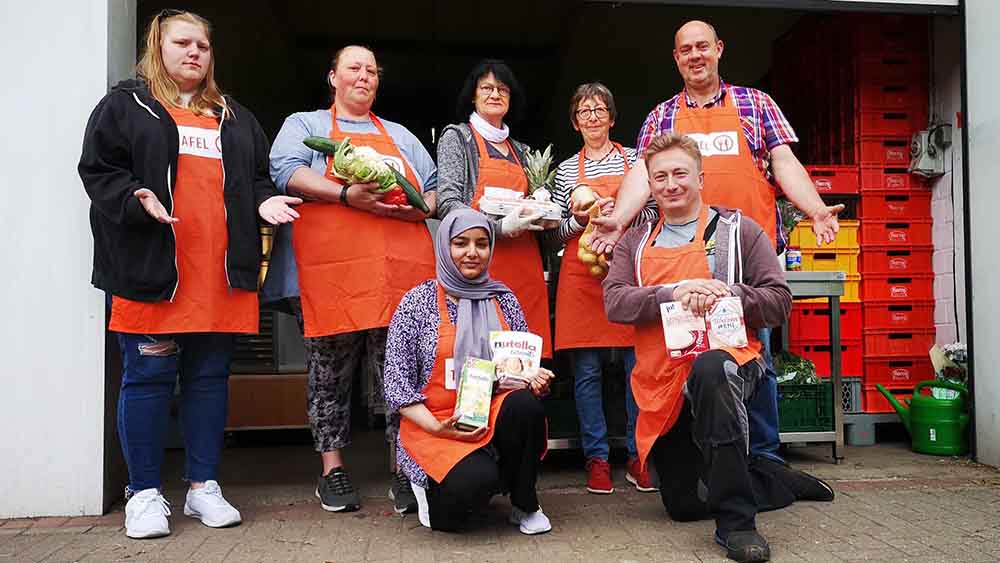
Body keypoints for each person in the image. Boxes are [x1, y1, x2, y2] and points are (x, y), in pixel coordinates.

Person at [78, 10, 300, 539]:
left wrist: (265, 203)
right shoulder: (126, 106)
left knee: (208, 381)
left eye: (202, 44)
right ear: (159, 46)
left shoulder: (235, 117)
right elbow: (99, 170)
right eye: (183, 42)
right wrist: (136, 196)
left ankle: (203, 487)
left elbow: (257, 178)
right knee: (148, 377)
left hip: (221, 276)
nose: (194, 52)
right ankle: (145, 494)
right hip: (155, 272)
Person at [591, 20, 845, 466]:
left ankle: (764, 457)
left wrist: (816, 209)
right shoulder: (662, 116)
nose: (695, 55)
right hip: (681, 250)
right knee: (679, 355)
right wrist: (618, 221)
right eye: (685, 49)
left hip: (746, 251)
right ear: (676, 58)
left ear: (719, 50)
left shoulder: (756, 103)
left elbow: (783, 162)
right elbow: (641, 176)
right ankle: (694, 457)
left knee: (755, 353)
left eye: (702, 47)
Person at [603, 133, 834, 563]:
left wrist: (728, 294)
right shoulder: (635, 243)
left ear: (700, 177)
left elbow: (778, 302)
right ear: (649, 185)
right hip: (662, 382)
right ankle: (773, 480)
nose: (670, 184)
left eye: (679, 174)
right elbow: (614, 301)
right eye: (660, 177)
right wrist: (672, 292)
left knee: (711, 369)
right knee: (683, 506)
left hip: (730, 365)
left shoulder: (739, 230)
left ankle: (737, 524)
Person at [263, 45, 437, 515]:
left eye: (372, 71)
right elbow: (285, 172)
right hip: (331, 274)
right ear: (333, 77)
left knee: (399, 375)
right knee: (329, 375)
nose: (364, 76)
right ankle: (332, 471)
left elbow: (435, 186)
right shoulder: (306, 126)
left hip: (394, 276)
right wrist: (345, 194)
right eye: (354, 68)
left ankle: (404, 468)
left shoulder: (399, 134)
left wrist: (417, 202)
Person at [384, 209, 554, 534]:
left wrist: (533, 380)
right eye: (461, 243)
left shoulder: (504, 300)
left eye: (482, 243)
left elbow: (517, 370)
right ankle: (435, 488)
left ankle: (524, 504)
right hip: (434, 425)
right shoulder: (417, 303)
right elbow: (397, 385)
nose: (473, 253)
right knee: (461, 507)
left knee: (525, 405)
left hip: (488, 414)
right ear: (444, 247)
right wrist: (439, 428)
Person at [546, 83, 659, 494]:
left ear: (612, 118)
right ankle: (596, 458)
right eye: (584, 111)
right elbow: (553, 233)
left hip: (626, 272)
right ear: (575, 123)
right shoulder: (563, 173)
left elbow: (653, 211)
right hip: (581, 278)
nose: (592, 117)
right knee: (587, 373)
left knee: (636, 368)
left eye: (599, 110)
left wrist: (622, 215)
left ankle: (637, 455)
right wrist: (579, 219)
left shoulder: (635, 161)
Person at [437, 59, 553, 359]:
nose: (495, 94)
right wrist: (497, 228)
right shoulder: (458, 138)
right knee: (480, 357)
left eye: (502, 89)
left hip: (523, 266)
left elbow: (540, 208)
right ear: (473, 95)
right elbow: (448, 202)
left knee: (524, 362)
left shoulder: (524, 152)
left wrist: (544, 209)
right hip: (476, 264)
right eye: (486, 88)